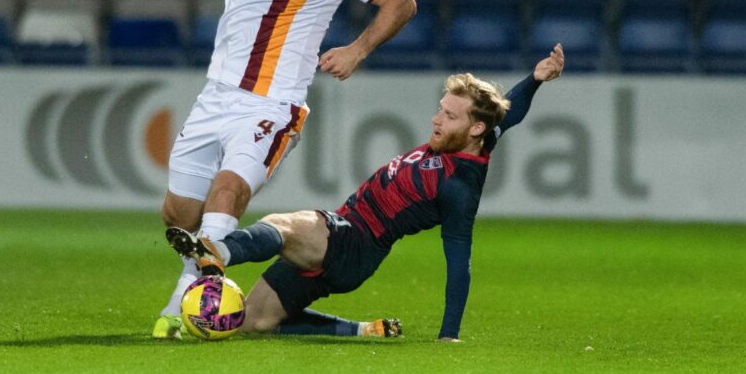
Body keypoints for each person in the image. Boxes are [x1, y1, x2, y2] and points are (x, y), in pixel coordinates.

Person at [45, 0, 417, 339]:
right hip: (215, 98)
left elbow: (401, 0)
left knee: (229, 190)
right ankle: (205, 280)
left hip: (274, 105)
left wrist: (358, 49)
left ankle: (185, 306)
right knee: (178, 214)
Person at [166, 44, 565, 340]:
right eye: (441, 108)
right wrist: (536, 79)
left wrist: (449, 334)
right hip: (346, 246)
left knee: (283, 225)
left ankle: (219, 251)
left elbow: (459, 263)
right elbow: (509, 108)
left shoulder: (459, 188)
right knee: (253, 322)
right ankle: (361, 330)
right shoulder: (479, 137)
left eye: (449, 114)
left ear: (474, 129)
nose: (436, 118)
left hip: (356, 239)